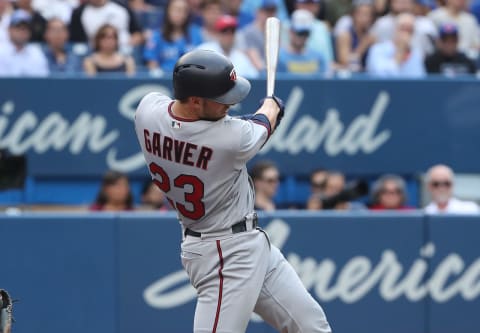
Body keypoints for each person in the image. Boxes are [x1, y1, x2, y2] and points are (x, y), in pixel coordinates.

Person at [134, 49, 331, 333]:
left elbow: (193, 124)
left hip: (246, 242)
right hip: (223, 251)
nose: (230, 104)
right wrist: (272, 105)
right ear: (194, 101)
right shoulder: (231, 140)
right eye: (221, 99)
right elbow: (265, 120)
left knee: (312, 326)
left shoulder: (146, 111)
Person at [143, 0, 202, 73]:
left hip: (190, 78)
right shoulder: (157, 35)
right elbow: (152, 63)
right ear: (168, 11)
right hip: (165, 79)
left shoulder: (196, 33)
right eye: (176, 10)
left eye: (184, 11)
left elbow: (201, 61)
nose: (180, 14)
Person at [366, 12, 426, 77]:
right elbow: (380, 75)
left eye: (410, 30)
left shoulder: (416, 52)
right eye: (403, 29)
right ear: (395, 29)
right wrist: (400, 51)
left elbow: (420, 78)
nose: (406, 33)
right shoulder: (377, 49)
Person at [278, 8, 329, 75]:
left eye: (305, 33)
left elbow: (324, 81)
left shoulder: (319, 56)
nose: (302, 37)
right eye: (299, 33)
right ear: (291, 31)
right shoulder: (278, 57)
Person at [0, 9, 49, 77]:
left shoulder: (36, 53)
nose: (22, 31)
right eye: (18, 27)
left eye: (25, 28)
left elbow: (41, 82)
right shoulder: (1, 52)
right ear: (9, 29)